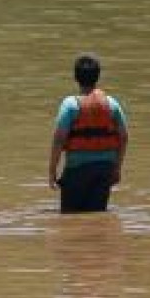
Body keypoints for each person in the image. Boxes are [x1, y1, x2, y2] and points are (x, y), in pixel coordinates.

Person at [49, 54, 128, 213]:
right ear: (98, 77)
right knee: (97, 214)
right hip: (104, 170)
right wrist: (117, 168)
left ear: (76, 77)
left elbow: (59, 140)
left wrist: (52, 171)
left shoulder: (70, 105)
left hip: (77, 169)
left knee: (70, 217)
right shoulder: (112, 104)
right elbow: (124, 137)